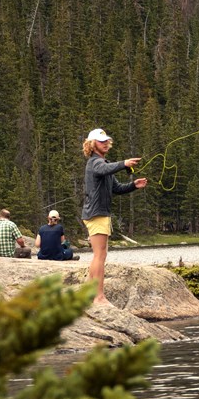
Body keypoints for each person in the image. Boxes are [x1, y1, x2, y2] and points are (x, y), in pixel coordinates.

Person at [80, 128, 147, 303]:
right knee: (99, 255)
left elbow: (116, 188)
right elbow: (105, 169)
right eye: (101, 141)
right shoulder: (95, 162)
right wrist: (124, 163)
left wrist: (134, 185)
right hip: (96, 213)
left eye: (106, 141)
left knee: (100, 254)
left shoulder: (104, 164)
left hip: (99, 213)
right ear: (92, 144)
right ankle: (99, 296)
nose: (105, 143)